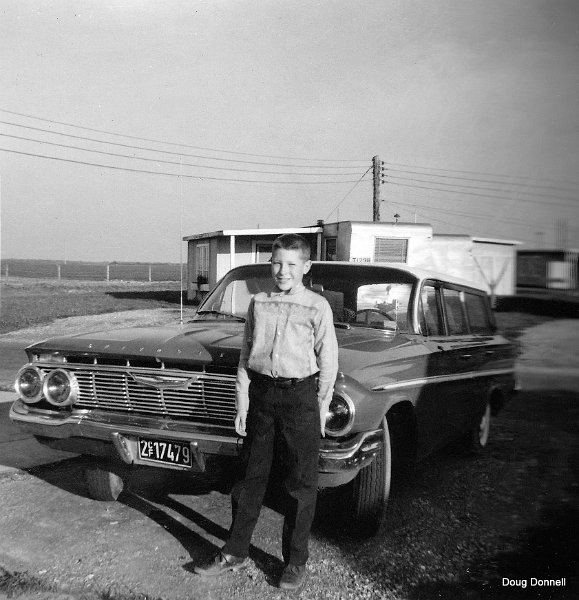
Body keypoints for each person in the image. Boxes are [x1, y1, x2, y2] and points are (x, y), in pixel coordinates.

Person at [195, 233, 339, 590]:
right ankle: (235, 550)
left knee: (300, 484)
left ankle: (295, 562)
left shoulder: (317, 306)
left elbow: (329, 360)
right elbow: (246, 354)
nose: (283, 271)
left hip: (299, 399)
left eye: (291, 264)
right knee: (249, 479)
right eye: (277, 262)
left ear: (305, 267)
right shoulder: (258, 303)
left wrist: (320, 407)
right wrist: (242, 400)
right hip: (261, 397)